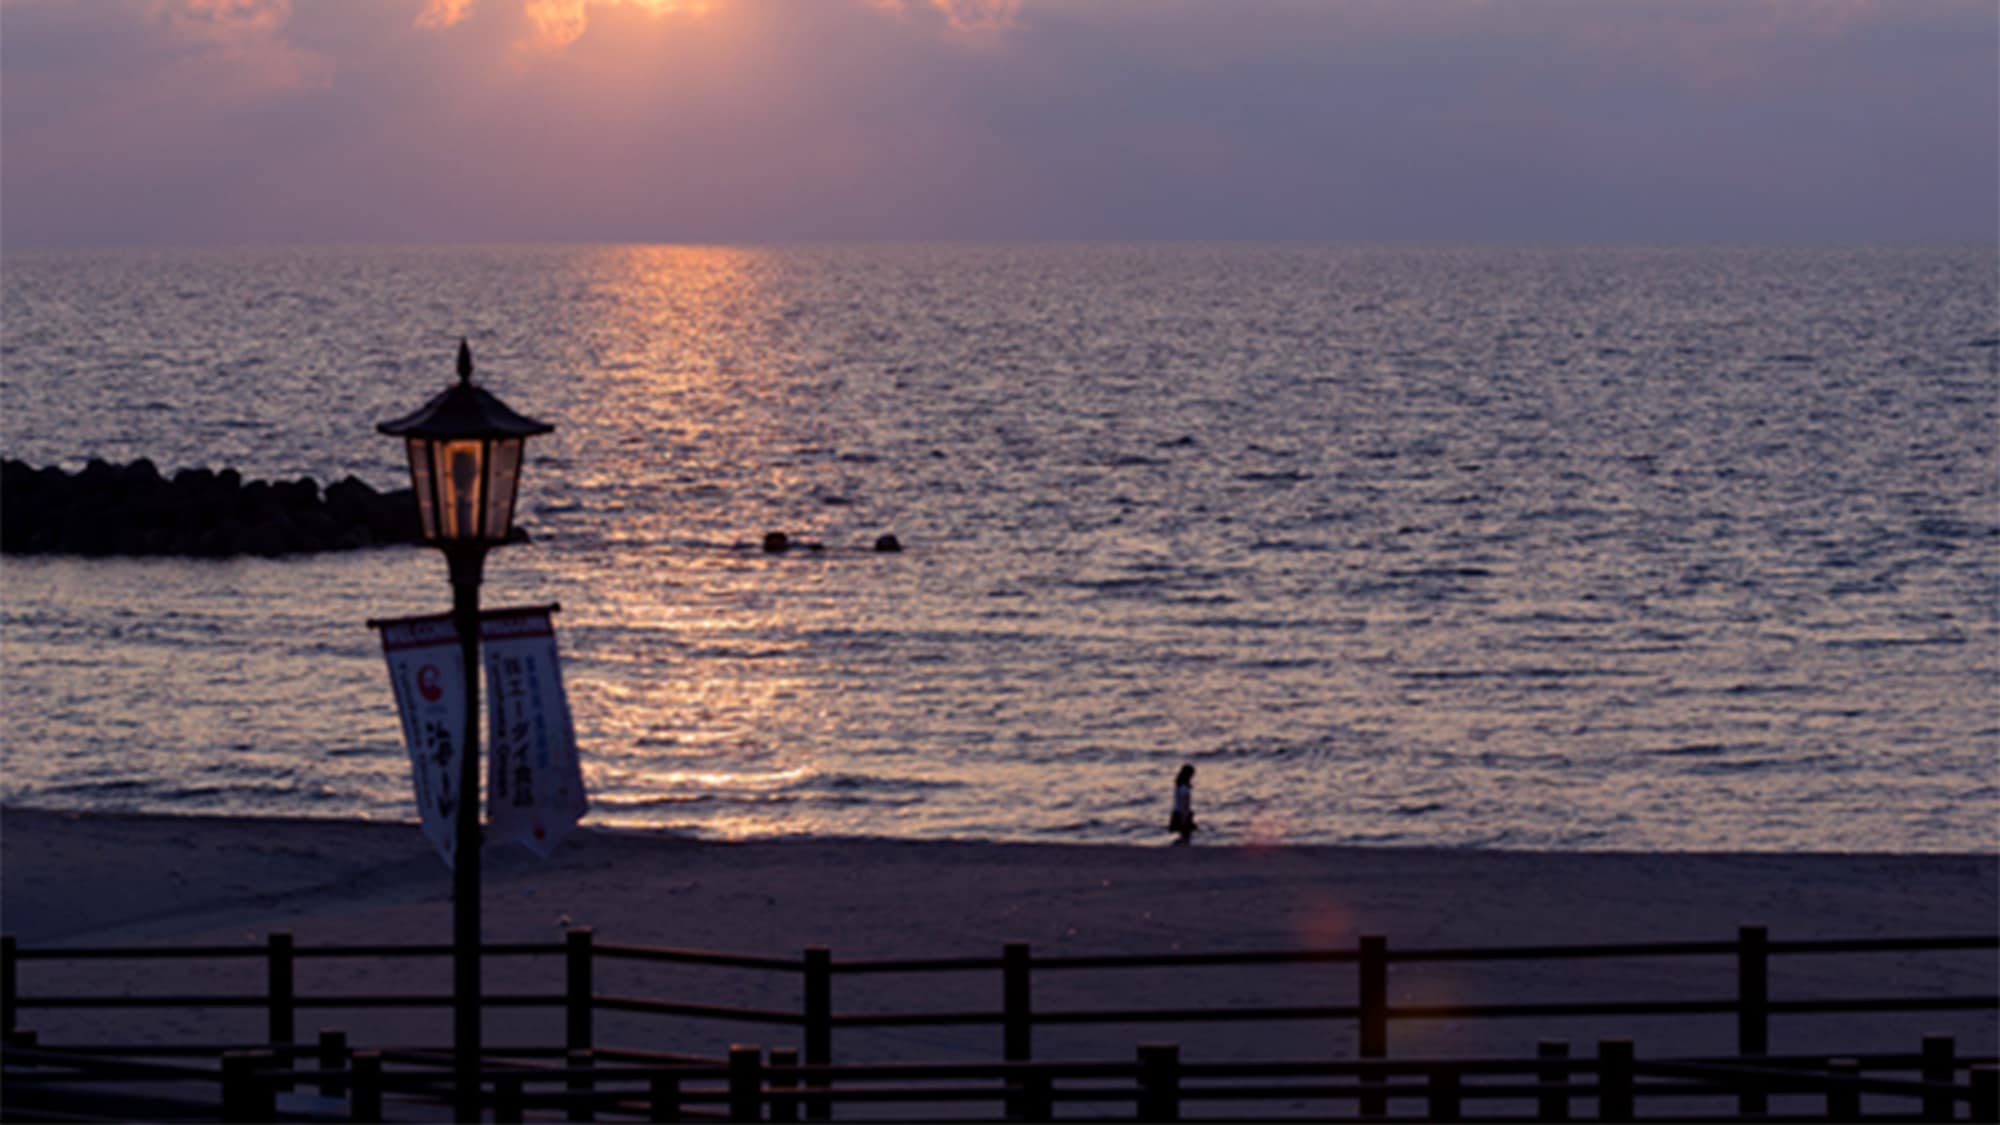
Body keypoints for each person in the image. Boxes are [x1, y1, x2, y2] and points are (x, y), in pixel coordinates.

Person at [1169, 763, 1197, 845]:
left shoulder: (1179, 786)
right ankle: (1177, 848)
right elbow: (1184, 804)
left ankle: (1177, 847)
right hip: (1182, 813)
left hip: (1179, 812)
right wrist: (1185, 817)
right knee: (1186, 837)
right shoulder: (1183, 788)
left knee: (1184, 836)